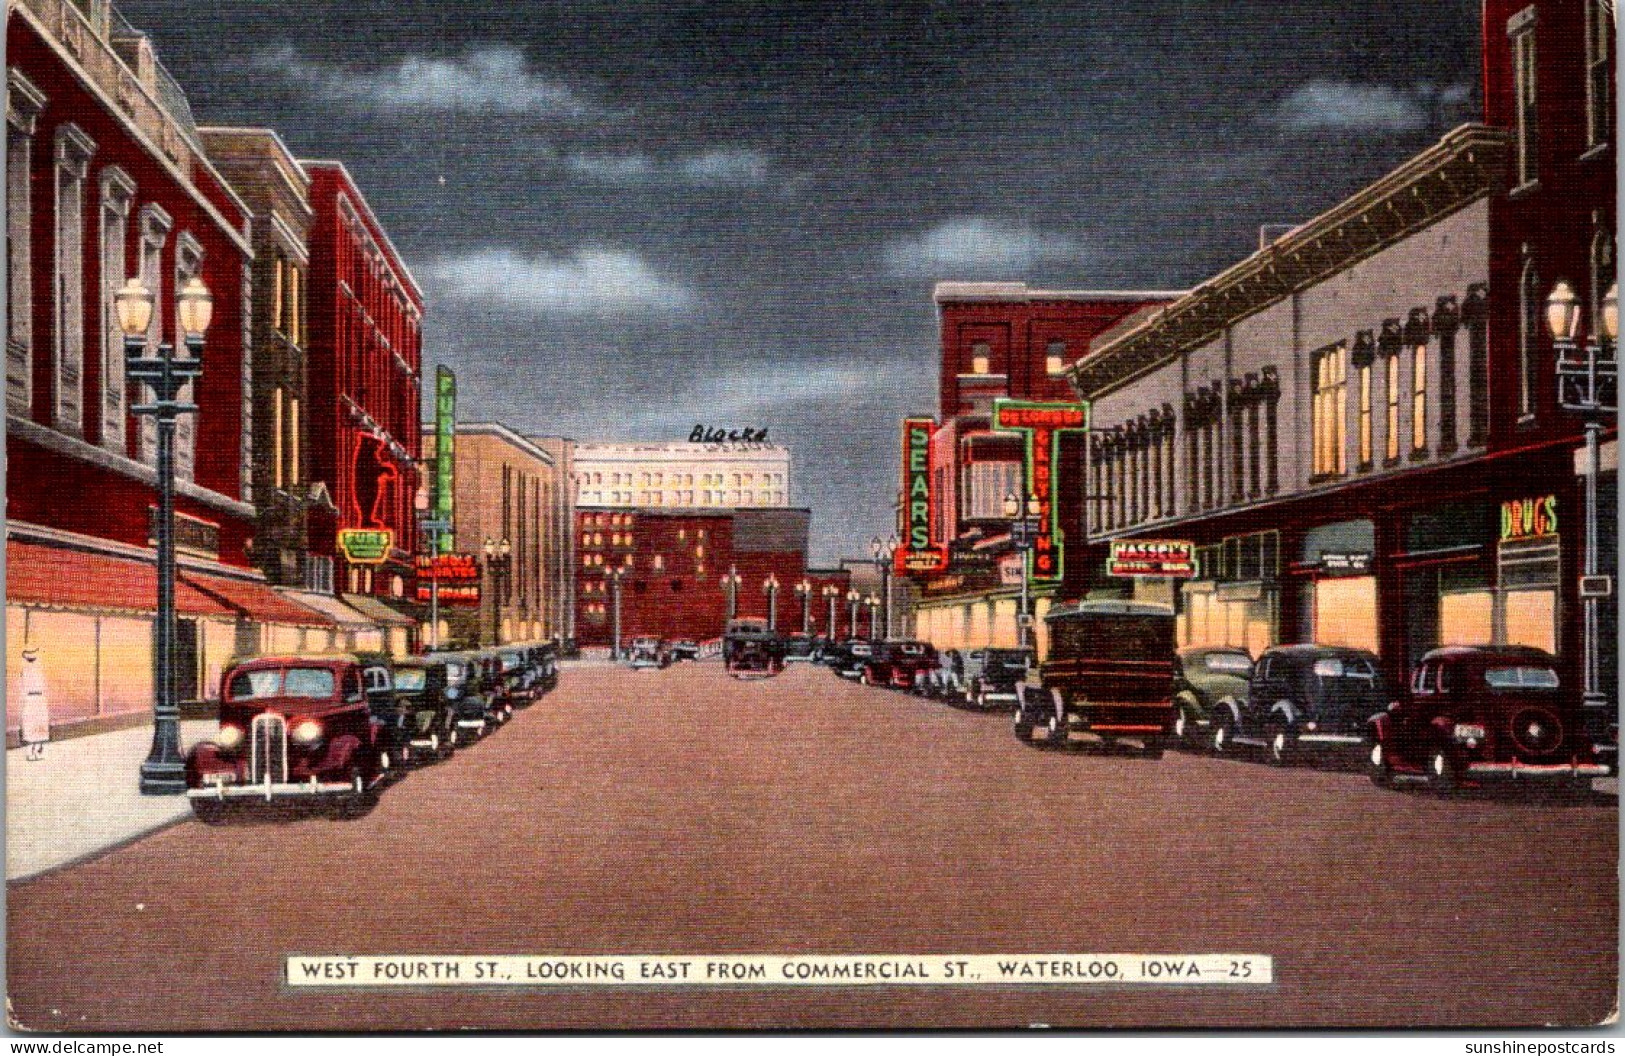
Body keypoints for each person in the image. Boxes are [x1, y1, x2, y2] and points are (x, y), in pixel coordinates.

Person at [19, 646, 49, 760]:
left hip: (39, 698)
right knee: (30, 724)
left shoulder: (39, 668)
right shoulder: (25, 669)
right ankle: (30, 751)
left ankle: (37, 750)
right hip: (30, 698)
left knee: (40, 724)